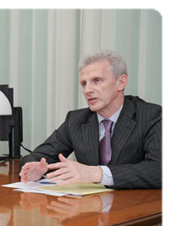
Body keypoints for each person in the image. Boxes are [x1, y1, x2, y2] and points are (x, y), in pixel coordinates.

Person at [19, 49, 165, 189]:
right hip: (90, 207)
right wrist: (37, 168)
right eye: (84, 83)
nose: (88, 90)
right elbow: (39, 156)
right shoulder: (76, 120)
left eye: (97, 80)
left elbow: (162, 168)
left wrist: (97, 173)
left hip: (137, 206)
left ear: (121, 82)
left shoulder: (151, 116)